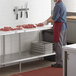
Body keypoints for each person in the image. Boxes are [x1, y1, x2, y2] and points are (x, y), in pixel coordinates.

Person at [38, 0, 67, 68]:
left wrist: (45, 23)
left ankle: (59, 63)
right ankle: (64, 62)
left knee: (58, 45)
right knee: (63, 44)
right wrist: (45, 21)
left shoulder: (57, 6)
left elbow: (54, 19)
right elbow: (53, 15)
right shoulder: (62, 4)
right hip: (64, 27)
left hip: (59, 27)